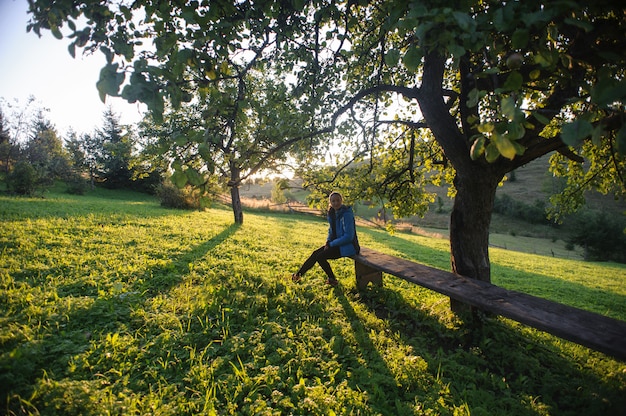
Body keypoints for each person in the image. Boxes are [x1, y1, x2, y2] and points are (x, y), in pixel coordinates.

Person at [292, 191, 359, 286]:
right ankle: (298, 275)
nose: (336, 203)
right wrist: (328, 241)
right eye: (333, 201)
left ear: (341, 201)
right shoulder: (332, 213)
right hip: (336, 244)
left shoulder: (346, 214)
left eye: (338, 200)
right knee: (316, 253)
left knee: (320, 256)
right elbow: (331, 230)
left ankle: (332, 280)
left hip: (349, 246)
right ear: (330, 202)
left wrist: (331, 244)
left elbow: (348, 237)